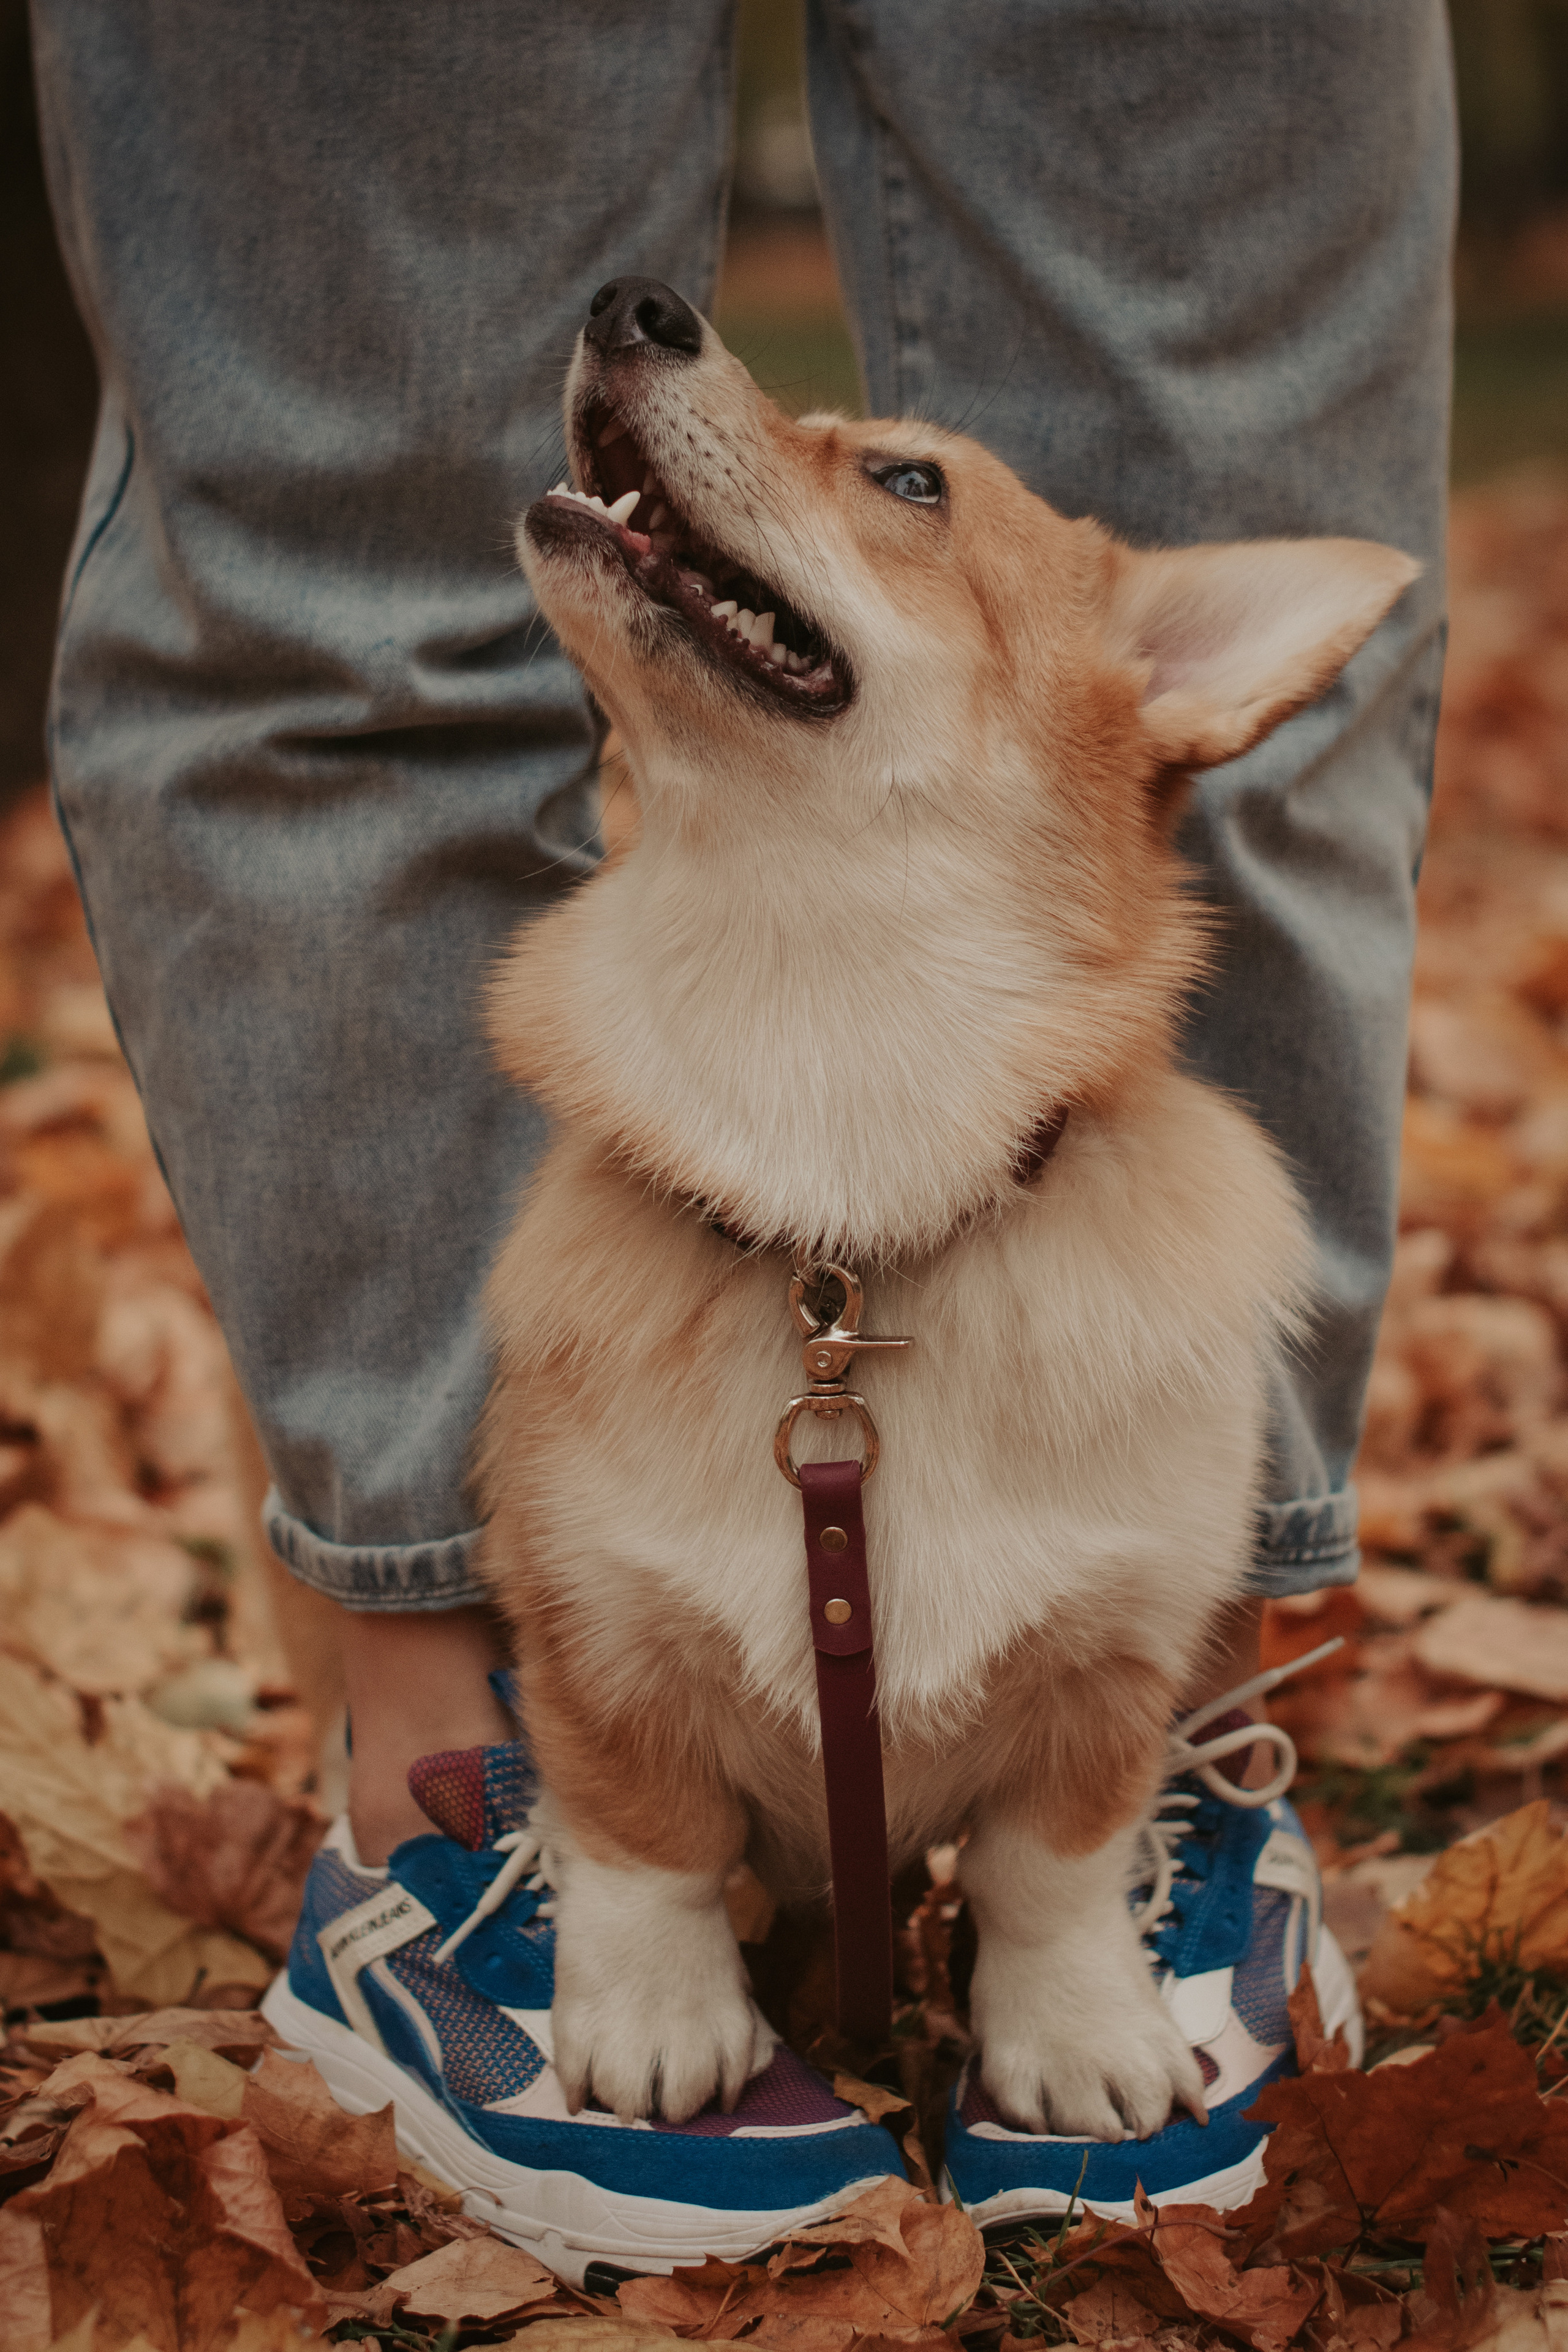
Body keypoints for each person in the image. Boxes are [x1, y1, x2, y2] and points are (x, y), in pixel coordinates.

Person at [31, 0, 1456, 2269]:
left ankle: (1130, 1825)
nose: (789, 445)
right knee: (346, 523)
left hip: (1065, 1036)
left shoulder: (1149, 680)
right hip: (668, 1294)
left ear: (1153, 693)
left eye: (889, 482)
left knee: (1208, 370)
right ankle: (474, 1792)